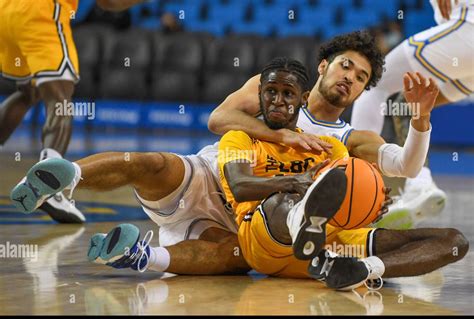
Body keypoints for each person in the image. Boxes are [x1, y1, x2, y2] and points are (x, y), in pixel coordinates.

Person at [11, 58, 468, 291]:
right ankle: (67, 174)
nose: (279, 102)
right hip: (219, 187)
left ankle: (142, 258)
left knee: (231, 257)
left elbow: (376, 175)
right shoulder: (243, 131)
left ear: (303, 96)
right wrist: (296, 178)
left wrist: (373, 198)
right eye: (270, 93)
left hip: (249, 228)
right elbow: (231, 158)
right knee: (153, 163)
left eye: (287, 95)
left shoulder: (338, 142)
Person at [0, 0, 145, 223]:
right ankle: (47, 186)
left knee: (29, 92)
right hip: (41, 12)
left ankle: (45, 178)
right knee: (61, 97)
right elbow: (108, 3)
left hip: (6, 12)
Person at [350, 0, 474, 228]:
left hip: (468, 28)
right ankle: (420, 183)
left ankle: (354, 187)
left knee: (375, 85)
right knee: (409, 103)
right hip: (465, 46)